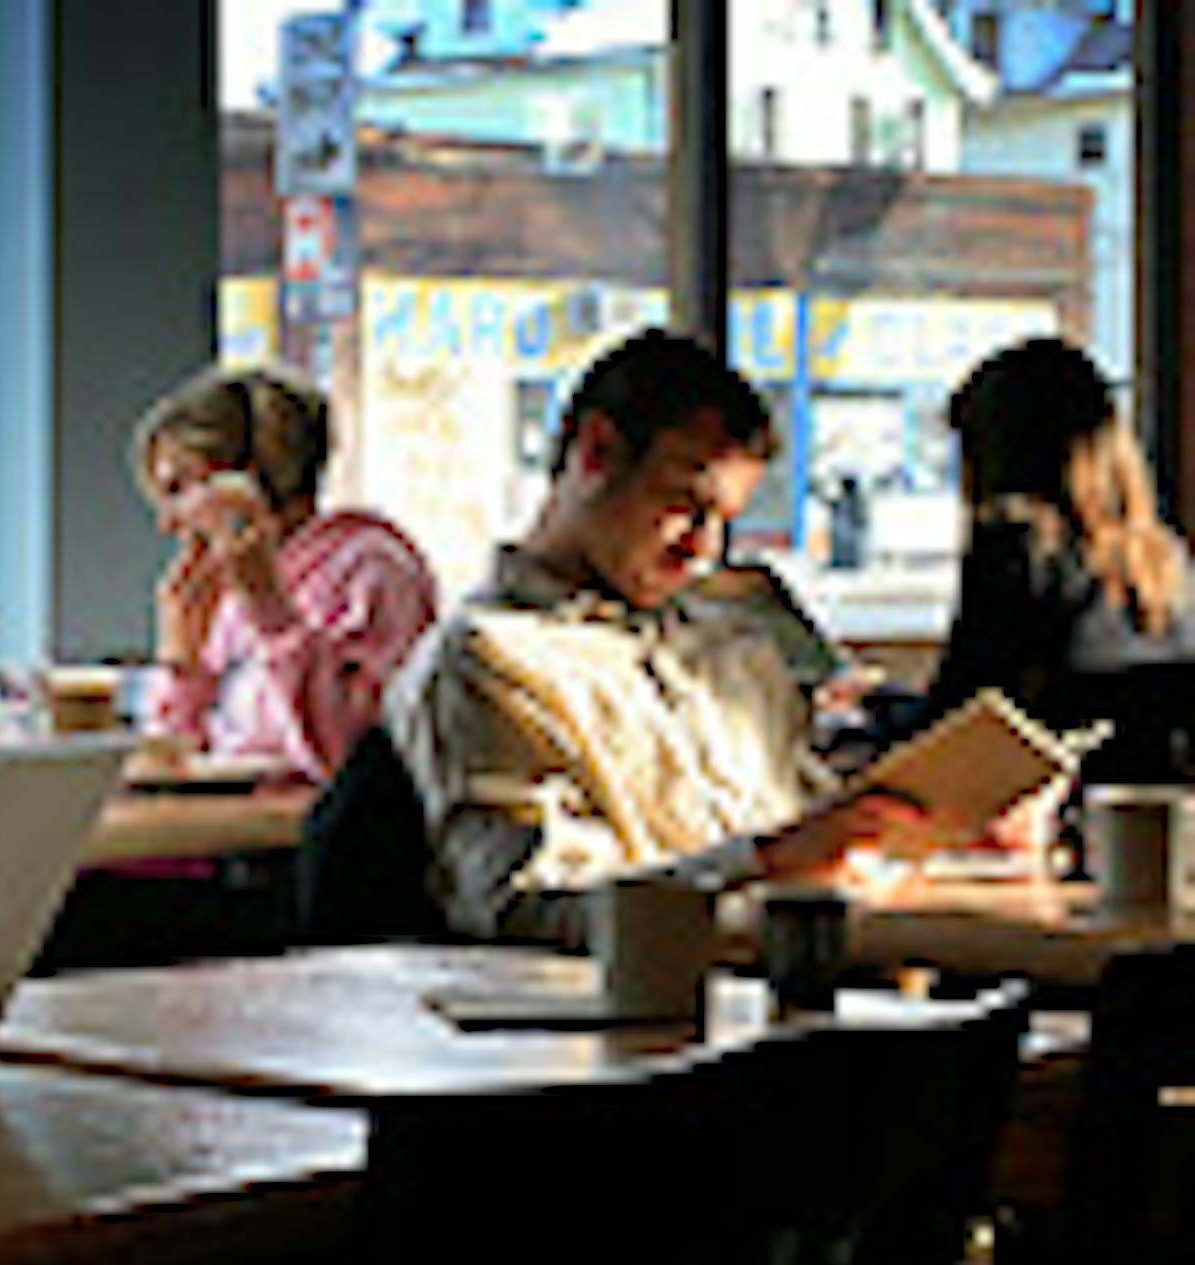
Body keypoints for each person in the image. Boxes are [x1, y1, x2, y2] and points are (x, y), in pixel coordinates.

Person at [385, 329, 936, 947]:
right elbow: (522, 911)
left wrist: (908, 827)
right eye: (682, 503)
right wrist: (762, 863)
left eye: (725, 521)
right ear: (595, 452)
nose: (704, 549)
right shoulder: (489, 660)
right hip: (638, 1019)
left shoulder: (729, 643)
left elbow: (802, 821)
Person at [135, 363, 437, 782]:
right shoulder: (231, 597)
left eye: (179, 490)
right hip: (230, 833)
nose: (167, 524)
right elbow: (174, 766)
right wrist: (183, 663)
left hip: (305, 843)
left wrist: (272, 613)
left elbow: (353, 764)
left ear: (245, 481)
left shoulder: (372, 573)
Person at [926, 336, 1195, 742]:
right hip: (1140, 798)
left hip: (1040, 793)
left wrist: (869, 716)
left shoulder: (1017, 545)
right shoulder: (1165, 557)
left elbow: (958, 716)